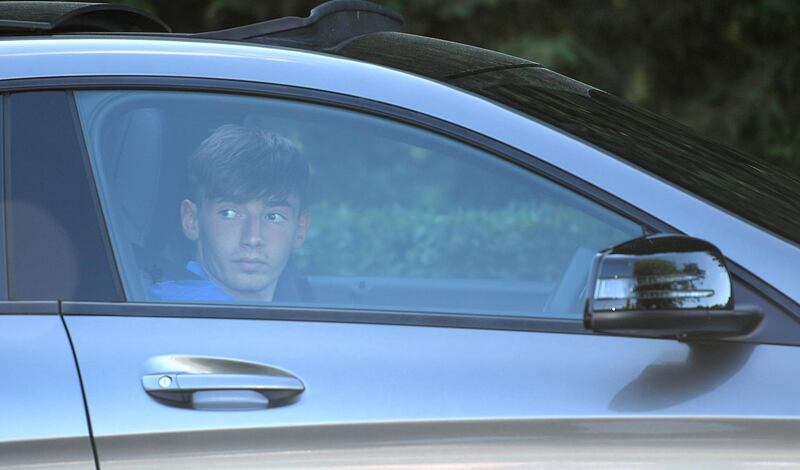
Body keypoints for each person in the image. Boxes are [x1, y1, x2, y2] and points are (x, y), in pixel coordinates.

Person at [149, 124, 313, 303]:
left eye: (274, 217)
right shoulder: (180, 311)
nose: (252, 238)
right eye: (229, 213)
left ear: (300, 229)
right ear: (191, 220)